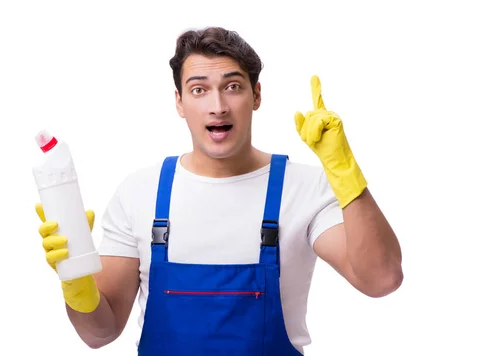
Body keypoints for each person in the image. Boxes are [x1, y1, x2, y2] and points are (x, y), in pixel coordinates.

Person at [35, 26, 403, 355]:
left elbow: (381, 279)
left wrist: (344, 171)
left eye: (233, 86)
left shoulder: (303, 187)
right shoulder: (139, 193)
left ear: (256, 95)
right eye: (199, 90)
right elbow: (100, 334)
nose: (218, 107)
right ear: (179, 102)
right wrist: (77, 282)